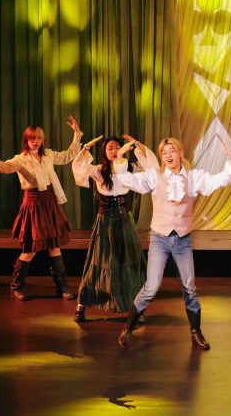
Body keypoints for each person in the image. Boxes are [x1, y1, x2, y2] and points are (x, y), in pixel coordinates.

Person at [114, 136, 231, 350]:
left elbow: (217, 181)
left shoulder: (193, 178)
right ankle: (128, 327)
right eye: (164, 153)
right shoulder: (154, 177)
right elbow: (129, 181)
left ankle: (196, 332)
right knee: (151, 287)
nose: (168, 155)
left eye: (172, 151)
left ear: (180, 154)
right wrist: (119, 158)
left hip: (182, 239)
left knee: (189, 287)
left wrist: (230, 164)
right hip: (159, 238)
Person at [0, 117, 83, 301]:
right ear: (26, 140)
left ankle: (62, 288)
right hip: (33, 204)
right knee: (30, 249)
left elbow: (68, 155)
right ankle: (16, 287)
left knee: (54, 247)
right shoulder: (20, 159)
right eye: (32, 137)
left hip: (50, 202)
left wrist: (76, 134)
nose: (36, 141)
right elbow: (3, 167)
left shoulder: (48, 155)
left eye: (39, 137)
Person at [71, 137, 146, 322]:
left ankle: (136, 308)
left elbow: (148, 164)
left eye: (117, 147)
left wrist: (137, 145)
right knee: (99, 261)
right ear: (104, 152)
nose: (114, 151)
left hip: (124, 222)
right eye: (110, 148)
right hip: (105, 221)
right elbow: (79, 168)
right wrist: (86, 148)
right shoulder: (99, 170)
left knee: (127, 262)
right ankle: (81, 305)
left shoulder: (130, 168)